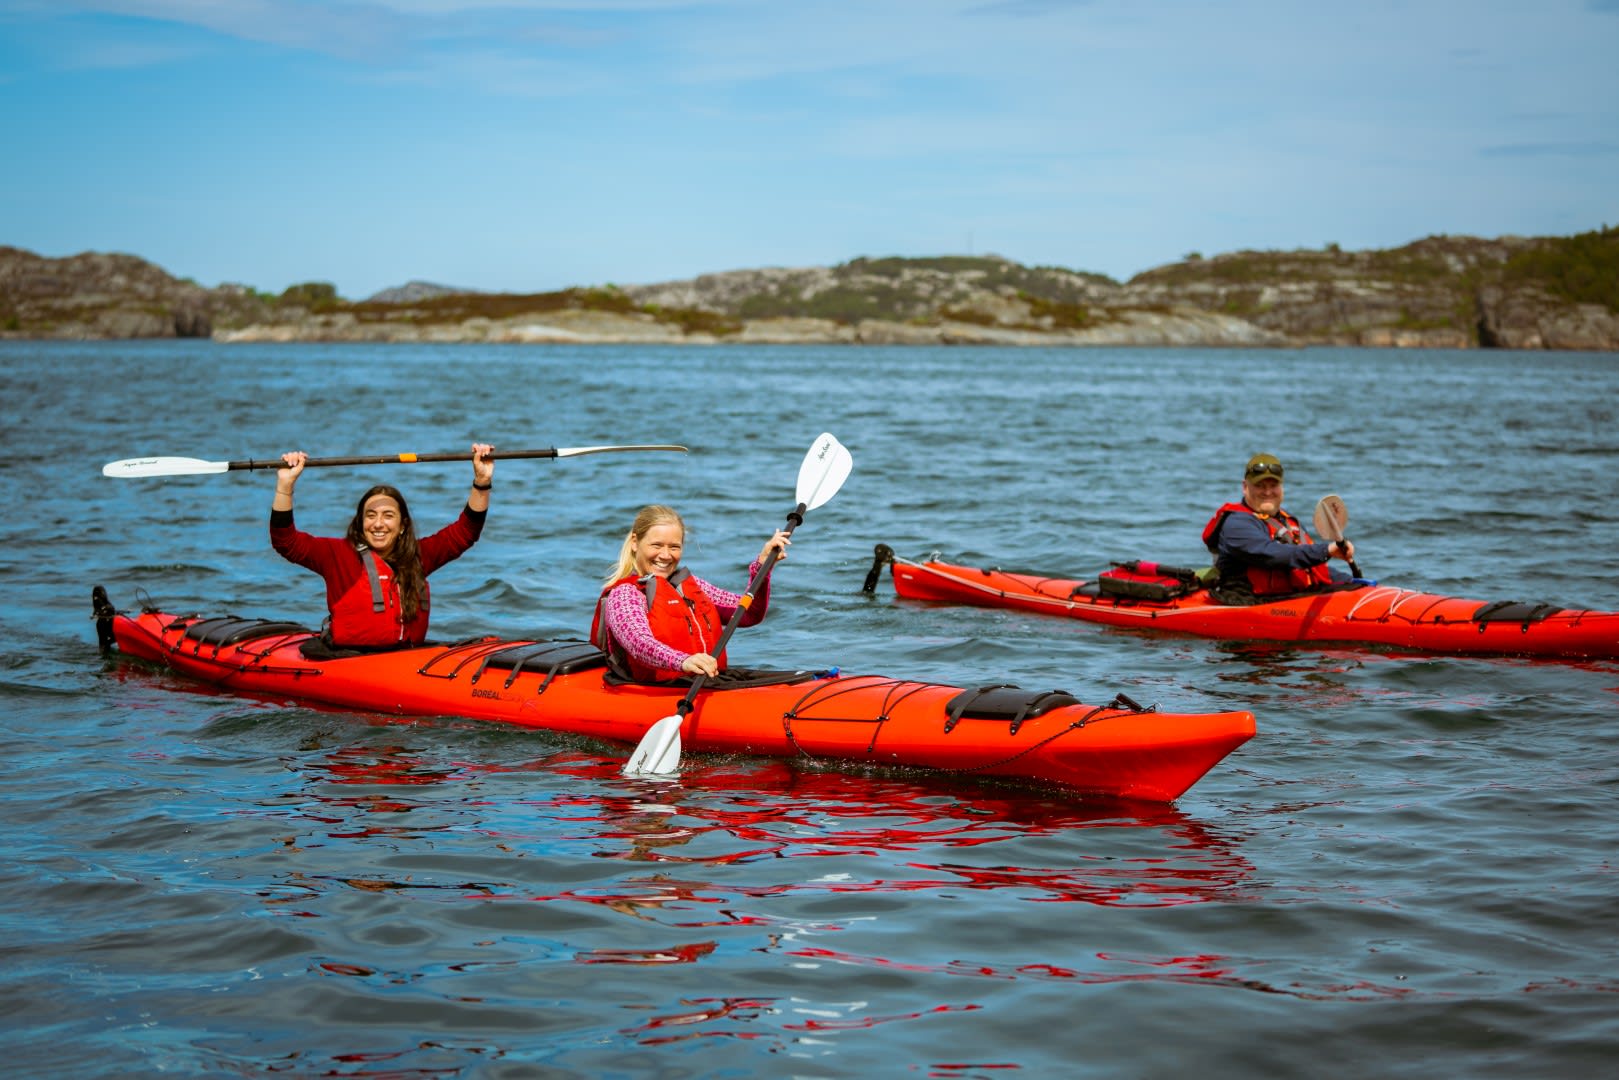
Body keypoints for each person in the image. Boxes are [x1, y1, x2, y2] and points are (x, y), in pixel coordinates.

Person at [271, 444, 494, 648]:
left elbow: (466, 532)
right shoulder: (337, 555)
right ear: (360, 522)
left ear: (402, 525)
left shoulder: (419, 555)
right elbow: (286, 542)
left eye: (388, 516)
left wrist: (481, 482)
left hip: (406, 658)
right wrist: (285, 485)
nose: (378, 524)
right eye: (371, 515)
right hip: (349, 659)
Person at [591, 504, 791, 682]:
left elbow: (748, 613)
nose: (666, 555)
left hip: (703, 683)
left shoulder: (692, 587)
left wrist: (762, 569)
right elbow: (638, 643)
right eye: (657, 545)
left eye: (674, 547)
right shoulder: (625, 594)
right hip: (656, 690)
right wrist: (683, 661)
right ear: (635, 542)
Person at [1202, 452, 1356, 600]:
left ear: (1281, 488)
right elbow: (1273, 554)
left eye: (1273, 485)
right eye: (1260, 485)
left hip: (1288, 597)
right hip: (1247, 600)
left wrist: (1354, 583)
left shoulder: (1288, 521)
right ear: (1245, 487)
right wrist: (1326, 550)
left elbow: (1312, 569)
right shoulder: (1236, 524)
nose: (1267, 491)